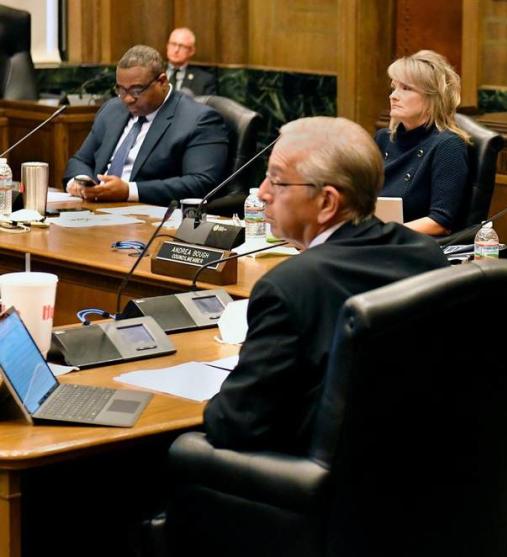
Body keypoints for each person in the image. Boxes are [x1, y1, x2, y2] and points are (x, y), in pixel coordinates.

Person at [203, 116, 448, 453]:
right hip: (414, 466)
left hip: (309, 486)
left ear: (328, 203)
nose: (261, 193)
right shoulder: (427, 255)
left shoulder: (290, 285)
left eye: (277, 181)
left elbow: (237, 423)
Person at [63, 45, 228, 206]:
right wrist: (79, 182)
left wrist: (129, 191)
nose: (127, 99)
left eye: (136, 90)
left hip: (146, 214)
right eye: (121, 90)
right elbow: (81, 160)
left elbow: (201, 183)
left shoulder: (199, 120)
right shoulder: (113, 109)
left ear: (162, 81)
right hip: (94, 209)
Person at [375, 50, 470, 236]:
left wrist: (380, 234)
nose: (393, 96)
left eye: (406, 88)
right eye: (394, 87)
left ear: (432, 97)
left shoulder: (448, 146)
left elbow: (440, 222)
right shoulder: (384, 138)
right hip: (375, 242)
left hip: (414, 248)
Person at [166, 27, 216, 96]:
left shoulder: (204, 80)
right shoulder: (154, 72)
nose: (176, 50)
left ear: (191, 51)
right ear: (167, 46)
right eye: (173, 44)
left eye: (182, 46)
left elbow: (208, 105)